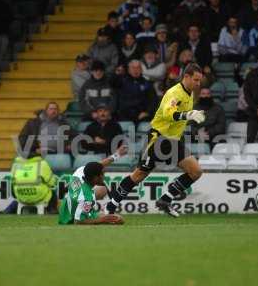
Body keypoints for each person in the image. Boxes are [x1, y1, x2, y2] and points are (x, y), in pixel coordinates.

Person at [105, 63, 206, 217]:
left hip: (173, 140)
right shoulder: (174, 93)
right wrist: (187, 115)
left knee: (195, 171)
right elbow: (168, 114)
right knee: (139, 175)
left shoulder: (189, 93)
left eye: (200, 81)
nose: (198, 84)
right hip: (158, 138)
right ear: (186, 77)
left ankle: (165, 200)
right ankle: (110, 206)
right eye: (196, 80)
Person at [59, 162, 124, 225]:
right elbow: (78, 221)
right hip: (69, 219)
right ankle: (101, 211)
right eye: (102, 174)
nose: (104, 176)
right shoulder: (86, 197)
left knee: (102, 189)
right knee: (119, 219)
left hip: (66, 212)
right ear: (95, 178)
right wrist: (103, 220)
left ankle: (97, 211)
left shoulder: (78, 173)